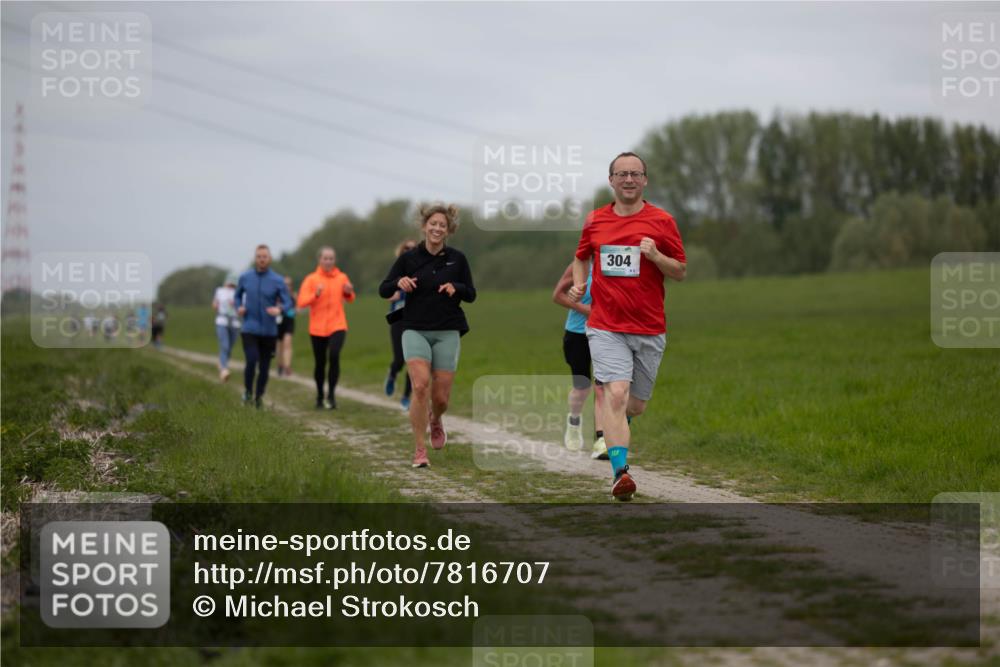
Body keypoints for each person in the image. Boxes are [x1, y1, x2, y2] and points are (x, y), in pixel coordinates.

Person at [569, 152, 686, 501]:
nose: (629, 179)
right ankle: (621, 473)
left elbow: (679, 271)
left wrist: (655, 256)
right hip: (605, 324)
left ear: (645, 180)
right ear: (611, 180)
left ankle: (620, 428)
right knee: (615, 394)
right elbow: (581, 256)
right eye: (622, 174)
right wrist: (579, 284)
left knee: (634, 406)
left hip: (649, 326)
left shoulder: (662, 221)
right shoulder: (595, 221)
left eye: (635, 174)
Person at [378, 203, 475, 468]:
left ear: (448, 230)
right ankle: (420, 451)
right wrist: (399, 282)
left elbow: (471, 293)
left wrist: (456, 287)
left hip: (447, 330)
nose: (437, 228)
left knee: (441, 398)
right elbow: (383, 289)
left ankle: (436, 419)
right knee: (420, 386)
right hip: (414, 328)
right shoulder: (409, 259)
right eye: (433, 224)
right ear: (424, 226)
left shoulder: (458, 259)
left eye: (442, 225)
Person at [552, 260, 607, 460]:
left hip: (605, 333)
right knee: (583, 387)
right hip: (577, 334)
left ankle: (601, 439)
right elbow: (557, 295)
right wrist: (585, 309)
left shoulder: (612, 263)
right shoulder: (580, 265)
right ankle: (574, 422)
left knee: (602, 386)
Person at [297, 246, 355, 409]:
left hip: (338, 324)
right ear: (320, 260)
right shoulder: (311, 279)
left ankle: (331, 395)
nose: (328, 261)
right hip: (317, 328)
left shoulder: (342, 277)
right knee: (320, 363)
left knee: (334, 356)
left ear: (334, 260)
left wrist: (348, 292)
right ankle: (319, 396)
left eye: (331, 258)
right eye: (325, 258)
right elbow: (301, 302)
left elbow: (350, 298)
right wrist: (315, 294)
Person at [234, 245, 292, 408]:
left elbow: (288, 302)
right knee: (252, 360)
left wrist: (279, 309)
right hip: (249, 328)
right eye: (259, 256)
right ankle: (247, 392)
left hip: (269, 331)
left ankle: (259, 397)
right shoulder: (245, 277)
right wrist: (239, 307)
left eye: (265, 256)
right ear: (255, 258)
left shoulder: (277, 280)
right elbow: (237, 296)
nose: (262, 259)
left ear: (270, 259)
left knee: (265, 367)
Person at [384, 240, 418, 410]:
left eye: (414, 248)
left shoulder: (421, 269)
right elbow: (385, 291)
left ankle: (406, 396)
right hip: (398, 319)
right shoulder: (396, 270)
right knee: (399, 359)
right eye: (407, 248)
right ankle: (392, 374)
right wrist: (394, 293)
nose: (410, 250)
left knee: (412, 361)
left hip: (415, 319)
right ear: (401, 251)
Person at [212, 273, 241, 382]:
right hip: (222, 321)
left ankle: (222, 362)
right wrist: (217, 306)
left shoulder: (239, 293)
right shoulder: (220, 291)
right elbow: (215, 304)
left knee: (229, 347)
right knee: (224, 345)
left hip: (234, 322)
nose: (231, 285)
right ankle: (224, 370)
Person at [275, 275, 297, 377]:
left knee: (287, 343)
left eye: (289, 284)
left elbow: (298, 307)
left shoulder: (293, 296)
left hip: (289, 321)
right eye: (285, 284)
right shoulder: (277, 296)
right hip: (278, 322)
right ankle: (280, 364)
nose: (287, 286)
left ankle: (287, 366)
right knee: (279, 345)